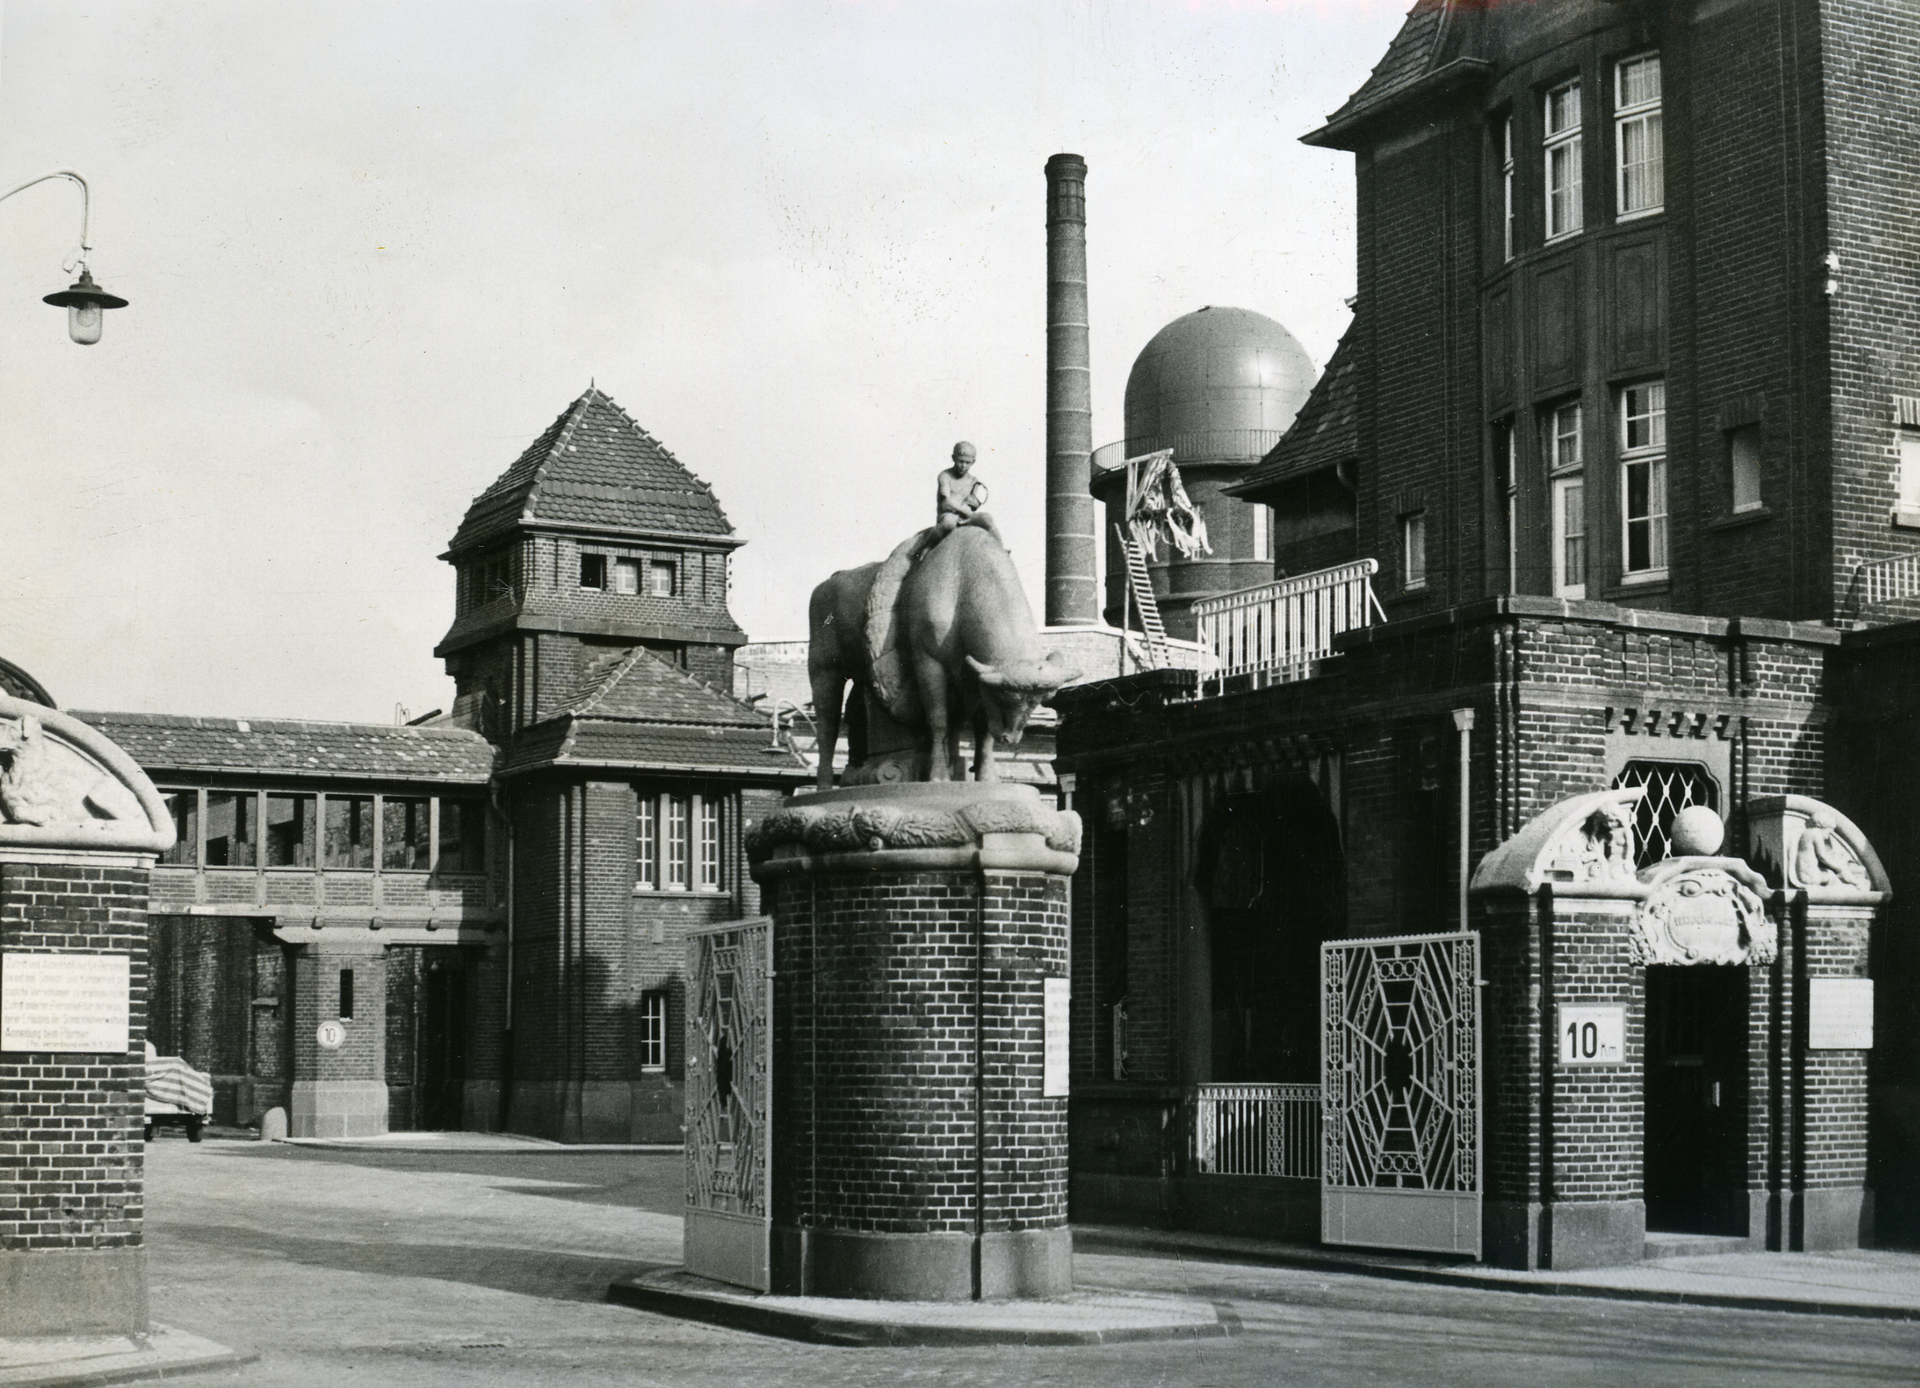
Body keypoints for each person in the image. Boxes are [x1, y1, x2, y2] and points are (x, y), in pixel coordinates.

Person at [934, 441, 1003, 546]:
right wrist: (964, 510)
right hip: (949, 515)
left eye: (967, 463)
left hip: (966, 517)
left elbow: (972, 503)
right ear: (953, 458)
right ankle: (927, 544)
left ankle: (1001, 547)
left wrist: (974, 504)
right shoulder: (945, 476)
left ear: (973, 462)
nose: (963, 466)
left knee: (987, 518)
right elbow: (946, 502)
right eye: (961, 461)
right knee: (948, 523)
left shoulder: (973, 480)